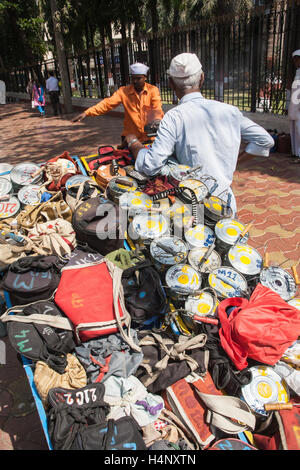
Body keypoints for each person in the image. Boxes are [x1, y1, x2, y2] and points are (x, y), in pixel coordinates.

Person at [125, 53, 274, 215]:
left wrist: (134, 144)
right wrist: (231, 163)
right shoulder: (230, 112)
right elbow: (265, 140)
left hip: (192, 206)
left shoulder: (174, 117)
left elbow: (151, 166)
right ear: (202, 78)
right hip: (224, 202)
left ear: (171, 84)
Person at [72, 63, 164, 146]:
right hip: (130, 138)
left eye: (138, 78)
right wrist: (87, 113)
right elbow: (107, 104)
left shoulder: (153, 90)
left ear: (145, 77)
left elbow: (157, 109)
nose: (135, 81)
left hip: (149, 138)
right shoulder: (123, 91)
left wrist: (156, 121)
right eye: (133, 78)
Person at [288, 49, 300, 164]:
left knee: (299, 130)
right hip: (294, 106)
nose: (296, 62)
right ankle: (295, 152)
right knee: (294, 129)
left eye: (298, 59)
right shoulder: (297, 72)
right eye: (295, 60)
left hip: (299, 107)